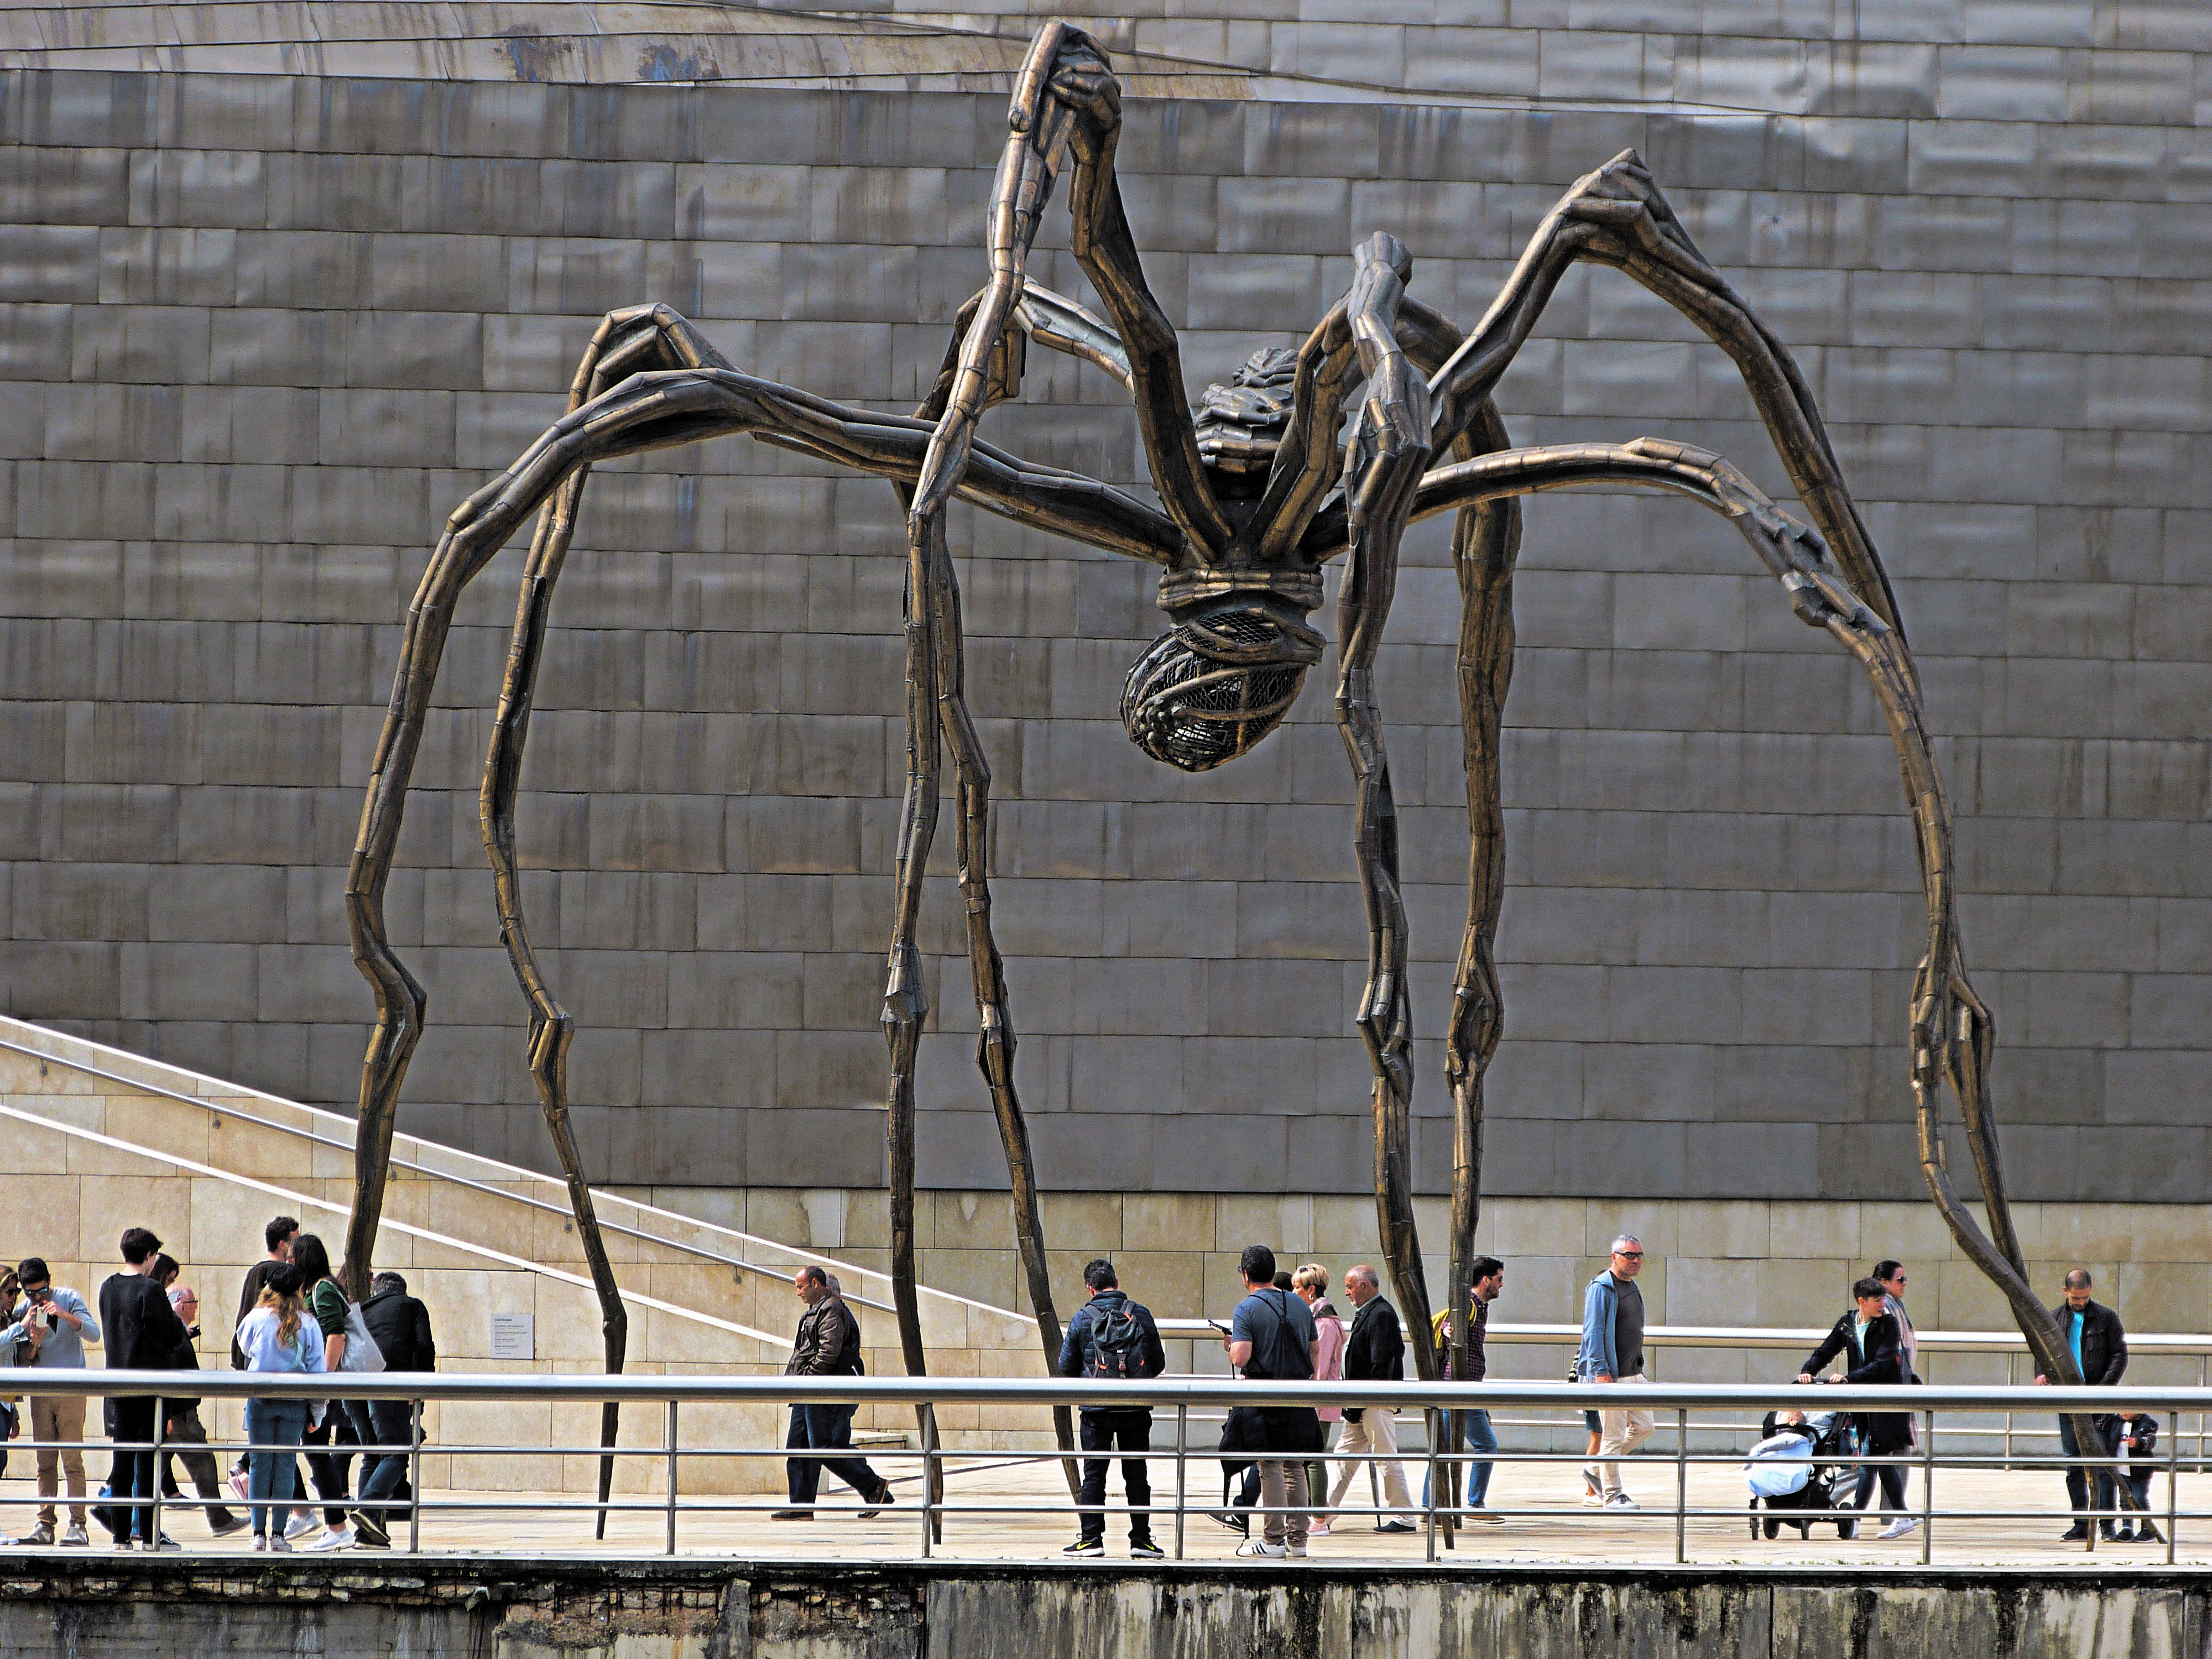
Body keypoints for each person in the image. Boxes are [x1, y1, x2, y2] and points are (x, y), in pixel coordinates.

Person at [1056, 1258, 1167, 1558]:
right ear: (1117, 1284)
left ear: (1090, 1288)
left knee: (1094, 1475)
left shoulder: (1083, 1317)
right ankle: (1141, 1541)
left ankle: (1091, 1540)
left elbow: (1065, 1366)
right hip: (1135, 1409)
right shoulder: (1140, 1314)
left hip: (1096, 1411)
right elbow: (1158, 1364)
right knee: (1137, 1474)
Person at [1222, 1244, 1322, 1558]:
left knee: (1270, 1465)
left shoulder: (1246, 1308)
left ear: (1246, 1274)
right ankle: (1299, 1540)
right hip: (1299, 1393)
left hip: (1264, 1395)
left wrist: (1230, 1345)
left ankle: (1274, 1540)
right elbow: (1314, 1352)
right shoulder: (1300, 1305)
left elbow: (1241, 1357)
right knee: (1295, 1465)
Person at [1798, 1275, 1915, 1538]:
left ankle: (1882, 1518)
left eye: (1884, 1299)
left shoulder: (1888, 1324)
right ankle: (1866, 1520)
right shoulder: (1848, 1324)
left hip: (1884, 1399)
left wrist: (1849, 1378)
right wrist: (1808, 1371)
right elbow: (1826, 1350)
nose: (1882, 1305)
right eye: (1877, 1300)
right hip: (1862, 1399)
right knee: (1872, 1459)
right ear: (1861, 1301)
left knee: (1876, 1457)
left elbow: (1885, 1362)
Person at [96, 1227, 190, 1550]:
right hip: (148, 1387)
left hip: (117, 1388)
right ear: (149, 1256)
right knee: (147, 1462)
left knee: (121, 1462)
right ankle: (149, 1536)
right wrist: (177, 1319)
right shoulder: (151, 1290)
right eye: (154, 1258)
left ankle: (121, 1537)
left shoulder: (107, 1287)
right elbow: (173, 1337)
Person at [776, 1265, 893, 1520]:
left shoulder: (831, 1309)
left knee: (822, 1447)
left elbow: (828, 1353)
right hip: (807, 1390)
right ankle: (801, 1507)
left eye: (801, 1287)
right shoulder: (816, 1311)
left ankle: (872, 1486)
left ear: (816, 1284)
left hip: (819, 1389)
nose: (798, 1293)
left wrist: (808, 1379)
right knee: (798, 1448)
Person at [1, 1256, 99, 1545]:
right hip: (41, 1391)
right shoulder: (23, 1310)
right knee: (44, 1461)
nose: (37, 1297)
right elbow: (23, 1360)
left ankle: (78, 1525)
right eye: (29, 1292)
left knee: (72, 1459)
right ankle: (45, 1524)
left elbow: (94, 1334)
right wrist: (34, 1341)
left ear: (49, 1282)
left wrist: (64, 1315)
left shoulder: (68, 1298)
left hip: (71, 1389)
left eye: (41, 1291)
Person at [148, 1255, 244, 1537]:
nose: (196, 1309)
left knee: (158, 1465)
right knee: (201, 1461)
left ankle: (114, 1504)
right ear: (178, 1303)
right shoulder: (168, 1328)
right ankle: (219, 1519)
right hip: (177, 1411)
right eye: (192, 1304)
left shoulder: (173, 1328)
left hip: (178, 1409)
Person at [2034, 1267, 2128, 1541]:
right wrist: (2041, 1373)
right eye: (2076, 1298)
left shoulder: (2107, 1318)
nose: (2080, 1303)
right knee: (2074, 1465)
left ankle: (2107, 1526)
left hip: (2098, 1401)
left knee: (2102, 1464)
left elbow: (2120, 1356)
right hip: (2068, 1400)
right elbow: (2043, 1351)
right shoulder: (2054, 1319)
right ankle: (2081, 1523)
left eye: (2085, 1298)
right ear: (2066, 1292)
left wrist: (2103, 1392)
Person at [1321, 1264, 1416, 1532]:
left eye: (1350, 1286)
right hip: (1362, 1402)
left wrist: (1363, 1399)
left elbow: (1381, 1361)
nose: (1347, 1291)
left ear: (1365, 1286)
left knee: (1385, 1457)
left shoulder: (1381, 1314)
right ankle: (1321, 1516)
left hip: (1373, 1401)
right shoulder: (1373, 1313)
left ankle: (1405, 1517)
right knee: (1343, 1459)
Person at [237, 1262, 324, 1551]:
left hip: (260, 1398)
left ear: (268, 1289)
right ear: (299, 1291)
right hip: (295, 1401)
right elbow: (317, 1369)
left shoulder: (257, 1318)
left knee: (260, 1465)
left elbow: (244, 1347)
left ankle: (257, 1534)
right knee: (286, 1466)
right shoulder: (308, 1323)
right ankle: (279, 1535)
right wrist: (317, 1412)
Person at [351, 1270, 436, 1548]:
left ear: (376, 1290)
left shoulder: (361, 1309)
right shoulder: (412, 1305)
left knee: (373, 1457)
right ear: (402, 1290)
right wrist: (419, 1388)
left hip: (353, 1389)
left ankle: (367, 1535)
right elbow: (425, 1348)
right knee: (397, 1454)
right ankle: (368, 1508)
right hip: (390, 1385)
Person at [288, 1233, 363, 1551]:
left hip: (321, 1385)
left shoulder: (322, 1289)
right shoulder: (314, 1289)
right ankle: (322, 1519)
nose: (289, 1263)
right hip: (317, 1384)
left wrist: (323, 1384)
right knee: (312, 1453)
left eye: (293, 1258)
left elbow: (336, 1335)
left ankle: (336, 1526)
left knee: (317, 1454)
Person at [1428, 1256, 1506, 1525]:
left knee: (1442, 1448)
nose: (1501, 1284)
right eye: (1498, 1279)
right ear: (1485, 1280)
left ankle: (1431, 1505)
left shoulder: (1477, 1307)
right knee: (1487, 1445)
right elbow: (1450, 1332)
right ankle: (1474, 1504)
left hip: (1463, 1390)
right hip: (1458, 1390)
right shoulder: (1467, 1307)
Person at [1578, 1235, 1653, 1511]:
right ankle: (1613, 1495)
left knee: (1646, 1427)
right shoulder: (1602, 1288)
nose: (1635, 1261)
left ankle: (1596, 1469)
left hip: (1633, 1372)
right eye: (1629, 1256)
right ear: (1614, 1257)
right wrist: (1601, 1372)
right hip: (1611, 1374)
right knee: (1611, 1437)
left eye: (1639, 1256)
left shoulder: (1632, 1287)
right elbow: (1593, 1333)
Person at [228, 1215, 298, 1495]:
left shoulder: (255, 1272)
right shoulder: (277, 1275)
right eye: (294, 1239)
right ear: (283, 1243)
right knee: (279, 1443)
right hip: (274, 1369)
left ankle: (248, 1471)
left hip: (253, 1364)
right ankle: (249, 1475)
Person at [2111, 1412, 2163, 1545]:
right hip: (2122, 1468)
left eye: (2128, 1409)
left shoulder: (2146, 1424)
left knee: (2140, 1498)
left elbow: (2151, 1441)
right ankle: (2127, 1527)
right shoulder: (2117, 1422)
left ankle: (2147, 1528)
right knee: (2124, 1500)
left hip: (2140, 1470)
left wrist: (2138, 1443)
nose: (2123, 1412)